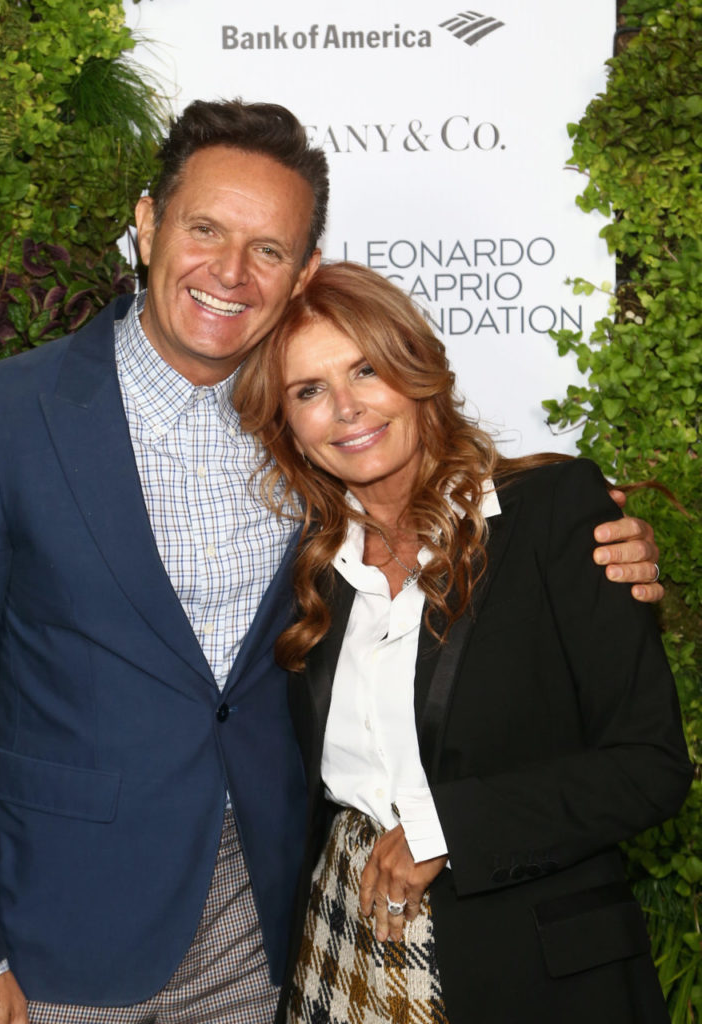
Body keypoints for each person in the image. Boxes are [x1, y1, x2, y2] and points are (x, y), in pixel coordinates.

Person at [0, 100, 663, 1024]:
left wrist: (609, 546)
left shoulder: (306, 449)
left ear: (303, 273)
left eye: (269, 249)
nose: (230, 271)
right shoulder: (1, 417)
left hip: (273, 937)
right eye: (205, 228)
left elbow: (457, 554)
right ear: (146, 224)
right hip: (63, 938)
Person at [232, 261, 692, 1024]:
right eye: (308, 391)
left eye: (367, 369)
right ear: (287, 425)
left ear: (417, 370)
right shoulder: (307, 567)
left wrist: (448, 826)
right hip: (341, 950)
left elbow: (651, 767)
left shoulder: (554, 513)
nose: (347, 409)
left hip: (529, 972)